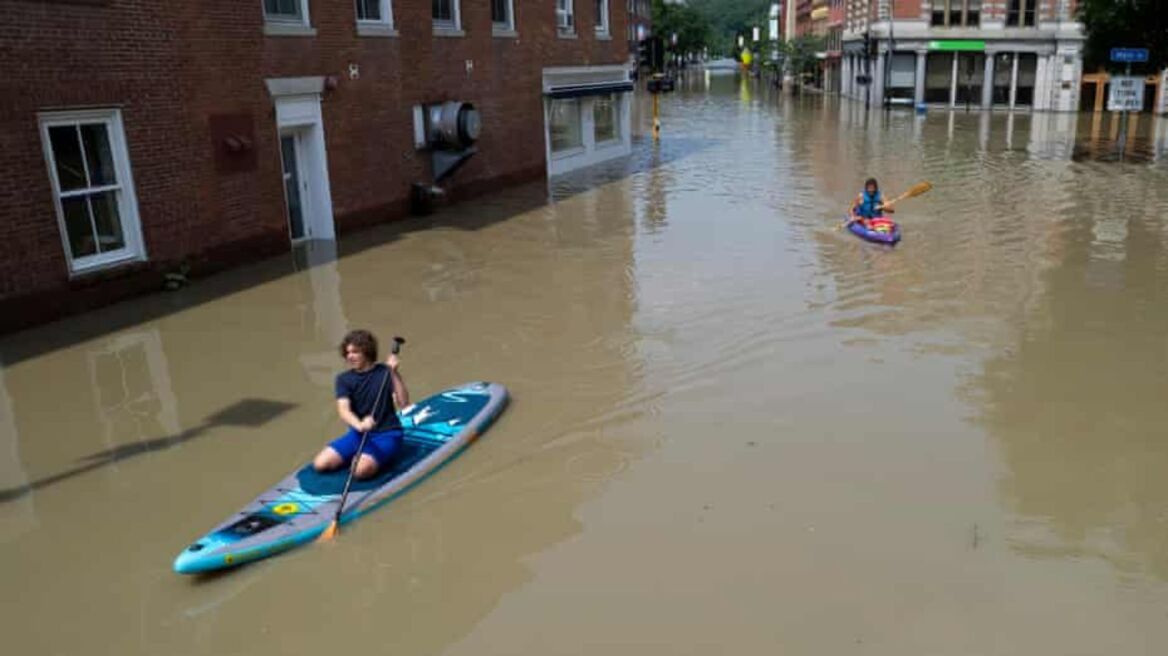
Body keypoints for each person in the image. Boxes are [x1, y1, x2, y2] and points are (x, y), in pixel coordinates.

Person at [313, 330, 410, 480]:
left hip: (387, 434)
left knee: (359, 472)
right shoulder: (343, 379)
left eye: (355, 352)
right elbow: (344, 410)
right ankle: (361, 457)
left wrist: (394, 373)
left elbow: (404, 403)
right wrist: (360, 426)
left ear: (367, 351)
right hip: (358, 434)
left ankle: (373, 458)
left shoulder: (385, 372)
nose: (350, 356)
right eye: (347, 353)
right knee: (320, 464)